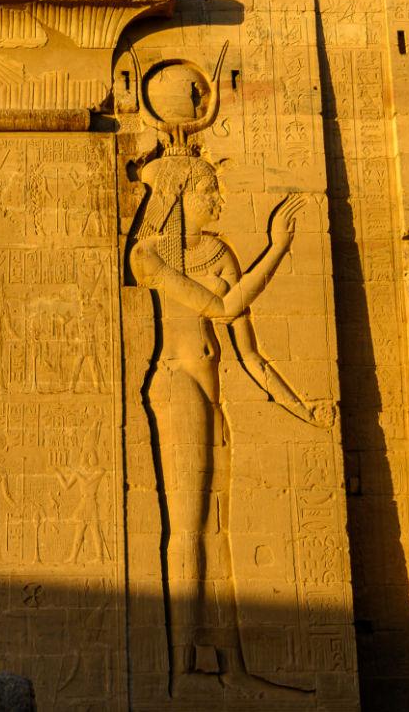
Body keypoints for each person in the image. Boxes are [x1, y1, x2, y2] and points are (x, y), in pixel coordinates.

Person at [129, 144, 327, 696]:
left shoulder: (217, 251)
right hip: (177, 385)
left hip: (212, 393)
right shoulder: (149, 254)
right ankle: (183, 669)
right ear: (175, 195)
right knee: (188, 528)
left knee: (218, 536)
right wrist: (278, 247)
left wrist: (301, 406)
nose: (218, 200)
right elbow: (221, 308)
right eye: (207, 190)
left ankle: (232, 668)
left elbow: (251, 354)